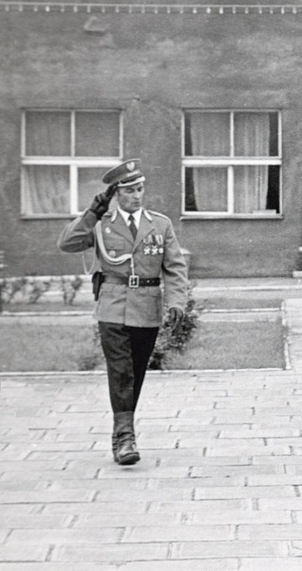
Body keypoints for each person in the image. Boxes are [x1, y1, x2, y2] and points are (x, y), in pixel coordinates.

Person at [57, 159, 188, 466]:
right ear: (116, 193)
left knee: (136, 372)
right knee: (120, 370)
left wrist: (177, 301)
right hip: (112, 305)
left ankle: (123, 430)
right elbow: (67, 243)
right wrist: (92, 213)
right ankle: (124, 439)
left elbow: (175, 268)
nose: (136, 196)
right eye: (129, 191)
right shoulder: (102, 224)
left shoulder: (160, 224)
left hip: (147, 307)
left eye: (140, 189)